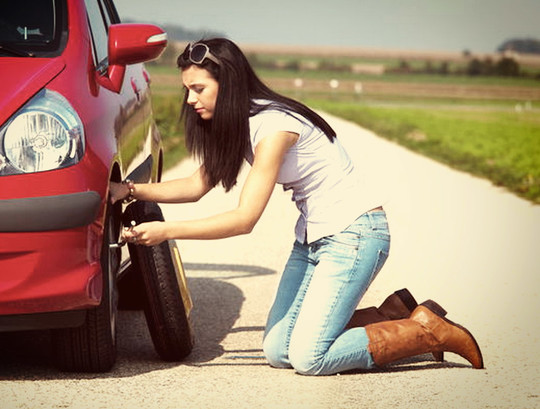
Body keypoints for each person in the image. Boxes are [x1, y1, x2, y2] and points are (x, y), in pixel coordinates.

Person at [110, 38, 483, 375]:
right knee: (277, 350)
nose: (190, 100)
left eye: (198, 89)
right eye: (187, 90)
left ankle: (426, 331)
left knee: (309, 358)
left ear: (230, 83)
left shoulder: (273, 127)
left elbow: (244, 219)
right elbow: (195, 185)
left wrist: (164, 232)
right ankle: (390, 315)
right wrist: (126, 190)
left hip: (354, 236)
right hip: (313, 240)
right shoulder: (239, 125)